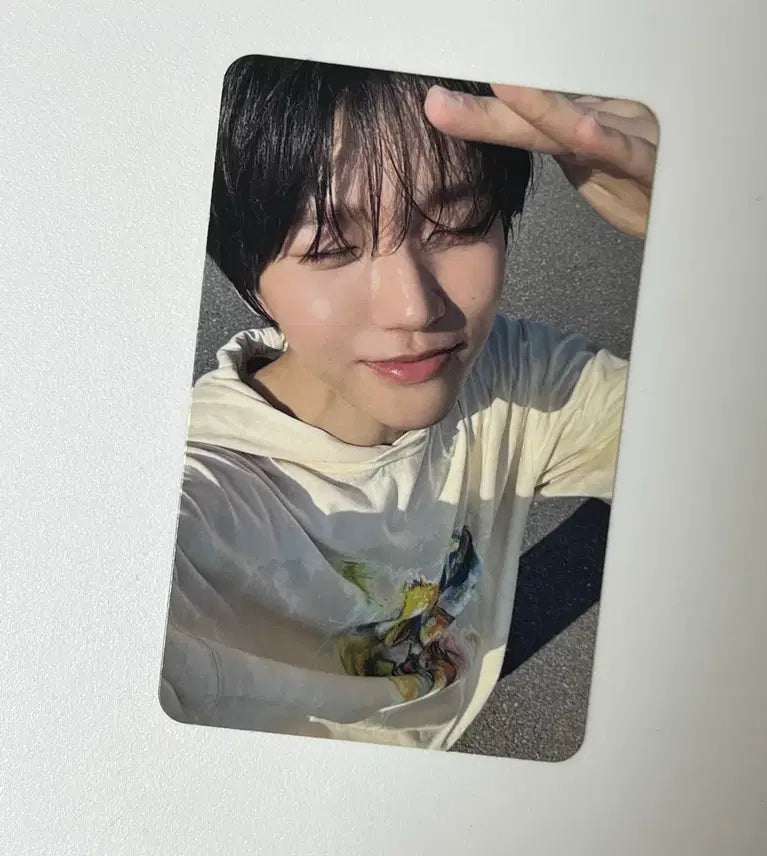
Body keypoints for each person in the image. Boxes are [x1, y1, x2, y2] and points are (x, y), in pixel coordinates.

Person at [159, 55, 658, 749]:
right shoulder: (200, 502)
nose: (413, 308)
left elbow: (760, 463)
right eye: (331, 246)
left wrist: (713, 237)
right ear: (249, 280)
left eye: (457, 222)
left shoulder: (513, 379)